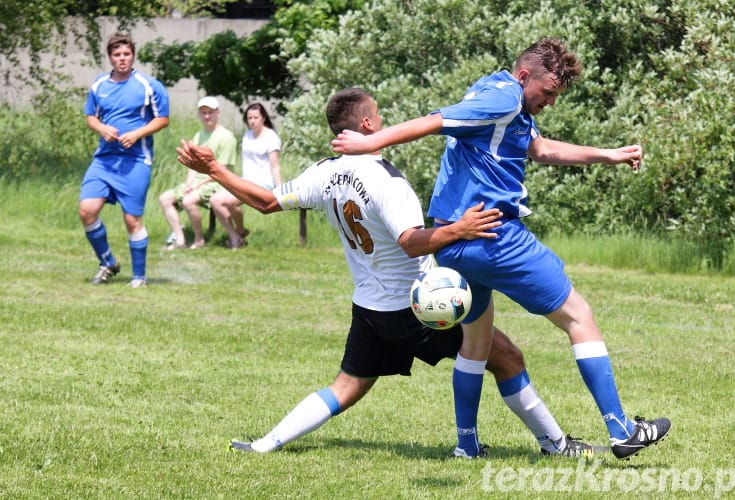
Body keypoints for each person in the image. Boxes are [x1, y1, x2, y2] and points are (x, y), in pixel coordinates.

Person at [177, 87, 596, 458]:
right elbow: (411, 241)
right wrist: (458, 230)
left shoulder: (325, 172)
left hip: (369, 307)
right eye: (378, 115)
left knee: (348, 385)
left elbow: (267, 202)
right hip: (413, 307)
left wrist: (215, 171)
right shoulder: (386, 181)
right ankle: (555, 444)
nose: (382, 121)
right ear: (366, 123)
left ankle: (264, 444)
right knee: (506, 357)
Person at [331, 39, 671, 460]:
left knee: (476, 340)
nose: (548, 102)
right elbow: (436, 121)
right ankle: (621, 429)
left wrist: (607, 155)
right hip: (494, 234)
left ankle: (466, 444)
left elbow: (540, 148)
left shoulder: (496, 94)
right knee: (579, 316)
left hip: (455, 239)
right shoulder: (504, 96)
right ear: (525, 76)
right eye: (546, 93)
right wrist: (370, 142)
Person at [79, 32, 170, 288]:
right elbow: (90, 116)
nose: (122, 59)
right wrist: (102, 129)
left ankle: (139, 278)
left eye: (127, 54)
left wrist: (138, 133)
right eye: (117, 55)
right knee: (87, 211)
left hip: (136, 160)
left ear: (133, 55)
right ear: (110, 57)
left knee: (132, 220)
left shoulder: (148, 85)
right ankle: (107, 261)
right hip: (104, 160)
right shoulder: (99, 85)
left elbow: (163, 118)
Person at [158, 96, 238, 250]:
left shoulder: (227, 137)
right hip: (197, 183)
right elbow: (192, 165)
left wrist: (197, 185)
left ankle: (199, 240)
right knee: (165, 198)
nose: (207, 116)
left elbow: (223, 170)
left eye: (210, 112)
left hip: (218, 182)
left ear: (217, 113)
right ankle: (180, 239)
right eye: (203, 113)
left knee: (188, 201)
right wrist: (189, 184)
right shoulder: (198, 136)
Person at [209, 102, 281, 249]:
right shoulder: (247, 135)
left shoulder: (271, 138)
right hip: (245, 180)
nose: (252, 121)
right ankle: (238, 233)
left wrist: (280, 189)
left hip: (263, 183)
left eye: (256, 117)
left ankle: (236, 238)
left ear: (264, 118)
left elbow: (275, 166)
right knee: (215, 200)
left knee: (227, 202)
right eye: (249, 118)